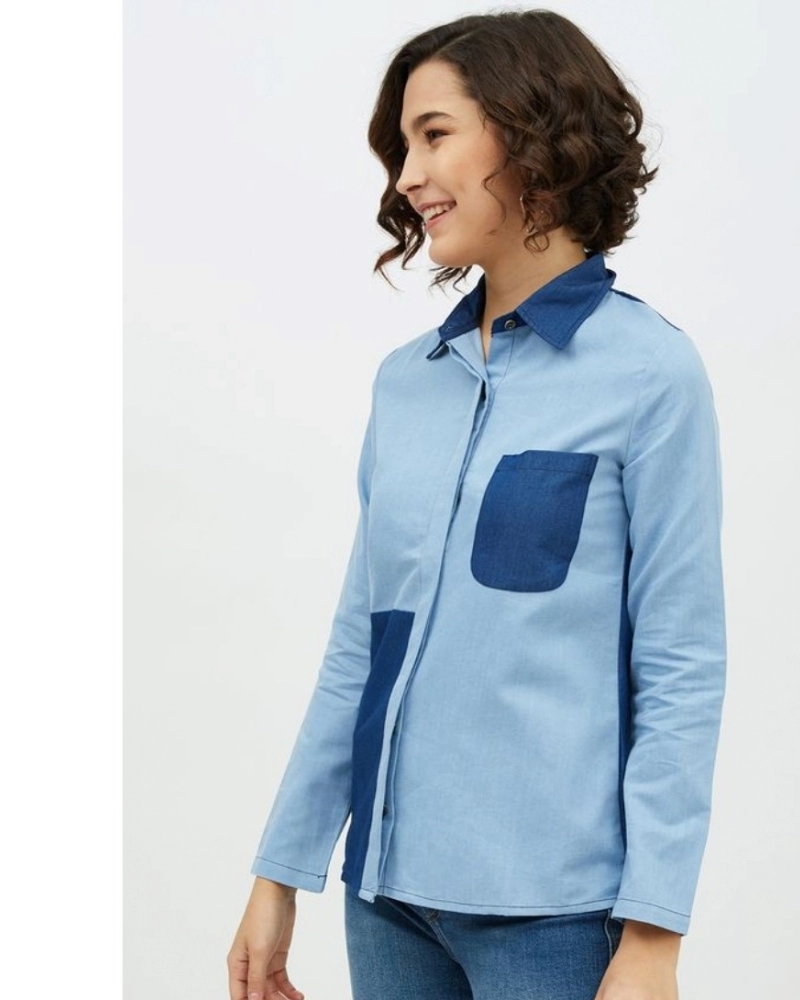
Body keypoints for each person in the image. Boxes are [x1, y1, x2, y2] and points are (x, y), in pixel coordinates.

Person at [227, 9, 727, 1000]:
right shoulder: (405, 383)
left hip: (553, 914)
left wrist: (655, 932)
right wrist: (280, 871)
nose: (407, 176)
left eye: (434, 134)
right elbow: (359, 644)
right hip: (387, 901)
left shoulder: (650, 375)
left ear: (532, 130)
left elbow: (679, 667)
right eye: (402, 147)